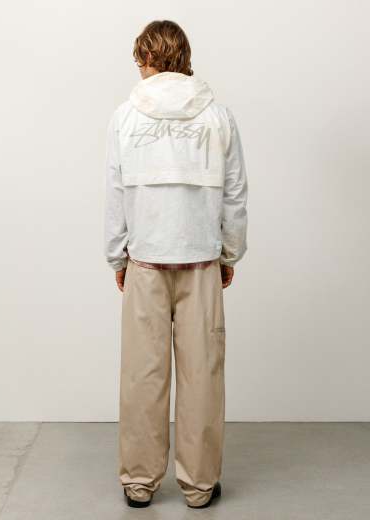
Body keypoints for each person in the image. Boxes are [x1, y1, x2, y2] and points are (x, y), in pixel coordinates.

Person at [103, 19, 248, 509]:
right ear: (183, 56)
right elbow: (235, 193)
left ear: (147, 56)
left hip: (145, 261)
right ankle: (199, 485)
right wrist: (230, 251)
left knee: (142, 375)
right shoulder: (219, 116)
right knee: (202, 375)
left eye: (138, 59)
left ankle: (139, 482)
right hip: (201, 261)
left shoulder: (125, 116)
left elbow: (115, 192)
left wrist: (116, 254)